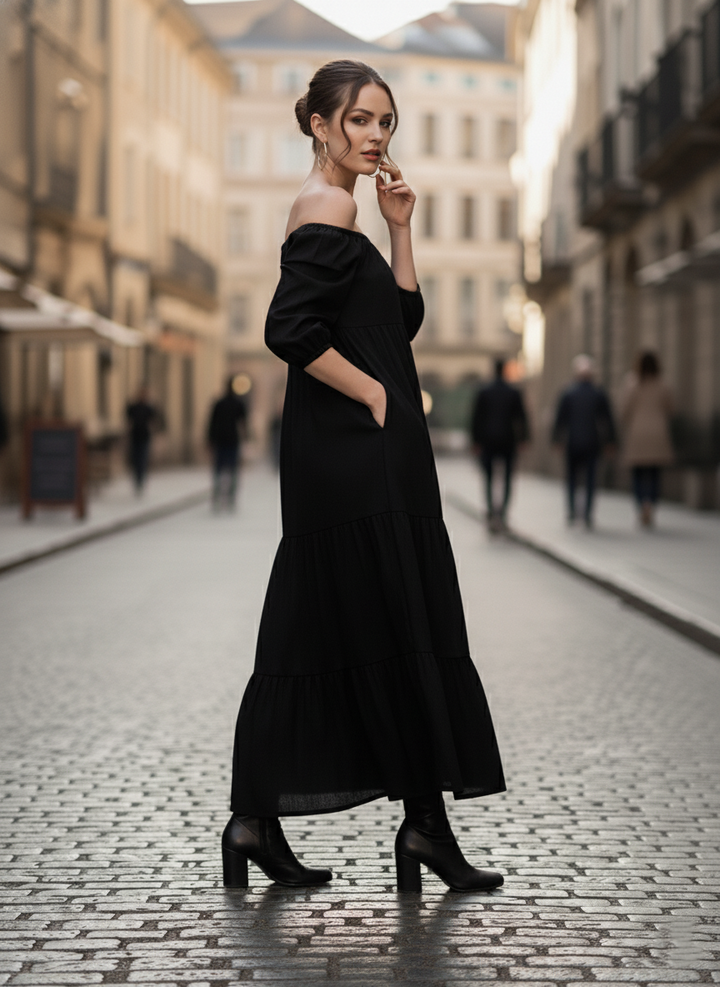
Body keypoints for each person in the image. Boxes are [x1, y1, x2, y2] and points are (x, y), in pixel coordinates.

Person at [222, 60, 505, 894]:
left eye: (386, 121)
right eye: (360, 121)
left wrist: (402, 229)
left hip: (361, 448)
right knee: (389, 617)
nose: (377, 135)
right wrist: (377, 395)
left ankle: (273, 819)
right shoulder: (324, 203)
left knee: (352, 622)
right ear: (319, 125)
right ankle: (420, 826)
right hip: (357, 447)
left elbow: (401, 322)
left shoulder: (355, 212)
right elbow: (290, 330)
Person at [552, 355, 616, 528]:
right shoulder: (598, 393)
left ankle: (572, 511)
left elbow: (560, 419)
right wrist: (610, 441)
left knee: (572, 478)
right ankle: (587, 513)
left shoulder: (568, 393)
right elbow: (608, 419)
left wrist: (557, 440)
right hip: (592, 442)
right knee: (590, 479)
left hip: (572, 442)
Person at [470, 359, 529, 532]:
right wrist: (523, 439)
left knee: (488, 477)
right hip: (507, 440)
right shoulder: (513, 392)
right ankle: (502, 512)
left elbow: (476, 418)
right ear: (504, 371)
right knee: (507, 477)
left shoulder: (484, 391)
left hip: (487, 440)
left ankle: (490, 510)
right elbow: (521, 417)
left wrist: (475, 441)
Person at [621, 351, 674, 528]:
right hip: (658, 432)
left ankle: (641, 504)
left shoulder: (632, 383)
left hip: (638, 432)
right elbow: (670, 408)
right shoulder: (662, 384)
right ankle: (650, 504)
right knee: (654, 473)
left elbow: (625, 409)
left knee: (638, 472)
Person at [207, 378, 248, 509]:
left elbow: (212, 423)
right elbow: (243, 423)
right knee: (233, 469)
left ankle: (218, 496)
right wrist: (246, 437)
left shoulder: (219, 403)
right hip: (232, 440)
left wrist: (210, 439)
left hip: (220, 440)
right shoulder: (238, 403)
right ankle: (230, 497)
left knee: (219, 469)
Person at [125, 388, 159, 493]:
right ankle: (137, 479)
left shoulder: (148, 408)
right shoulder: (133, 407)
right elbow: (129, 421)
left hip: (144, 437)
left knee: (143, 459)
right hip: (135, 436)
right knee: (136, 460)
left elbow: (153, 421)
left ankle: (141, 480)